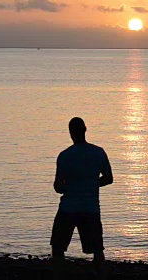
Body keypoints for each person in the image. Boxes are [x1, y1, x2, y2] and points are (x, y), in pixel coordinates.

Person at [51, 117, 113, 280]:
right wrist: (91, 184)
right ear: (85, 129)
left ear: (70, 133)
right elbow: (108, 178)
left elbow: (58, 186)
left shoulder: (64, 156)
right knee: (97, 250)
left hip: (68, 209)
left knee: (58, 248)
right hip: (90, 208)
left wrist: (70, 186)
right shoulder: (98, 152)